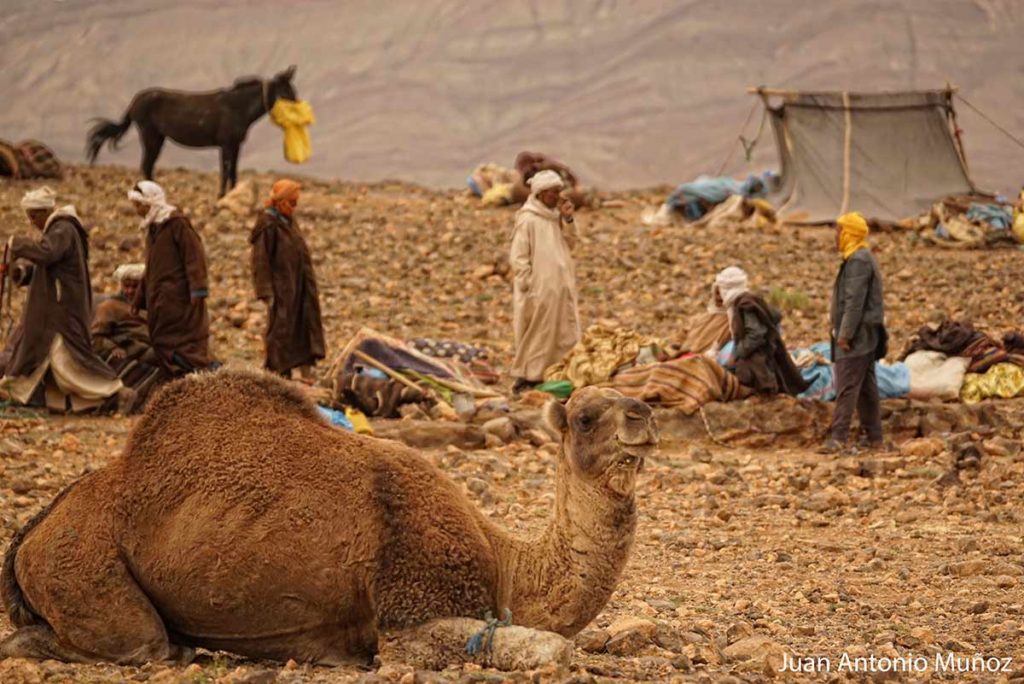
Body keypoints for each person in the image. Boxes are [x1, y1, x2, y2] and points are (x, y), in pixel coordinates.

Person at [0, 187, 132, 413]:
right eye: (29, 216)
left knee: (71, 358)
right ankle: (59, 404)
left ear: (46, 211)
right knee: (48, 359)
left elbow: (47, 253)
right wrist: (20, 273)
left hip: (61, 312)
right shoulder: (58, 231)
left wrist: (19, 245)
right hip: (55, 311)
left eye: (34, 216)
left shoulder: (63, 229)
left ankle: (118, 392)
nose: (31, 222)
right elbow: (46, 266)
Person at [129, 180, 213, 377]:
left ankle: (209, 378)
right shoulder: (153, 228)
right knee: (162, 341)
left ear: (150, 203)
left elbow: (195, 257)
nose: (136, 209)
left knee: (184, 344)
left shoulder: (177, 224)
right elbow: (150, 268)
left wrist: (198, 291)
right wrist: (140, 298)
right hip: (161, 300)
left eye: (138, 204)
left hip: (179, 299)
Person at [508, 170, 580, 394]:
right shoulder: (528, 219)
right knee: (538, 333)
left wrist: (568, 218)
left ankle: (556, 373)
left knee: (563, 332)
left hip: (560, 287)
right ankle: (529, 377)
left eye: (559, 192)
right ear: (540, 194)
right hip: (538, 289)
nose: (557, 197)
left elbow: (572, 243)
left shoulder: (555, 217)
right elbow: (519, 257)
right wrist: (527, 284)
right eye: (553, 193)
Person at [822, 212, 887, 454]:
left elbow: (854, 301)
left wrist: (845, 334)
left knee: (847, 385)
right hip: (865, 336)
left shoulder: (858, 260)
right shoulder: (857, 257)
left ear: (849, 233)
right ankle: (875, 438)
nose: (836, 237)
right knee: (866, 388)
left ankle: (838, 438)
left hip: (857, 337)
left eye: (839, 231)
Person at [250, 179, 325, 380]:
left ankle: (302, 366)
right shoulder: (267, 225)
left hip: (297, 283)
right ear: (280, 201)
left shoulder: (288, 220)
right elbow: (260, 261)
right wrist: (265, 291)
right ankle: (277, 373)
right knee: (280, 329)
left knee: (302, 323)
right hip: (281, 288)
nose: (294, 208)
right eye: (291, 203)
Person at [716, 266, 808, 396]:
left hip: (759, 357)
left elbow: (756, 334)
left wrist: (738, 352)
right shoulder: (739, 302)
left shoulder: (745, 304)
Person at [92, 263, 151, 365]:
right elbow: (96, 337)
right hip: (133, 349)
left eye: (135, 286)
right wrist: (113, 347)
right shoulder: (109, 306)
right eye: (126, 286)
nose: (130, 291)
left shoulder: (150, 307)